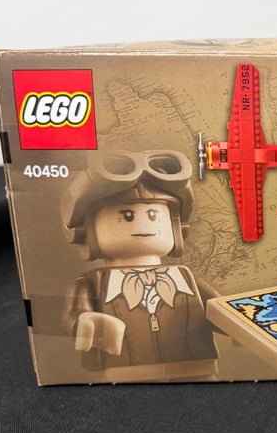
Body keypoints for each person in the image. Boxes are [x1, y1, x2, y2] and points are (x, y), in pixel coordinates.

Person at [60, 149, 220, 382]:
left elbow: (218, 309)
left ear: (177, 228)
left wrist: (238, 323)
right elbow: (73, 317)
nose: (144, 224)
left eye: (154, 215)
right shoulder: (90, 284)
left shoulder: (187, 279)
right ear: (88, 231)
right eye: (127, 216)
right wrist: (85, 323)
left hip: (196, 366)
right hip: (126, 370)